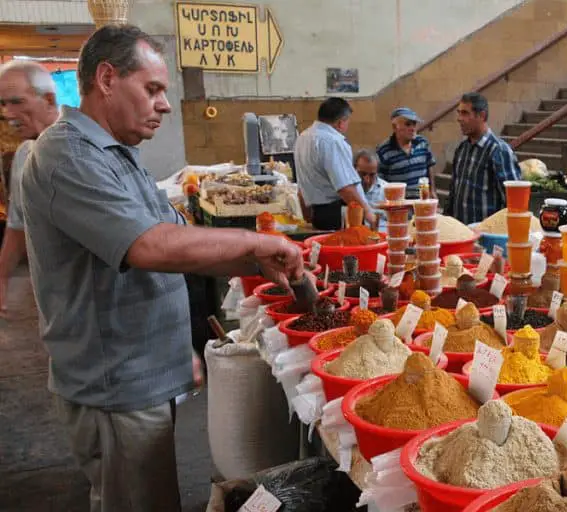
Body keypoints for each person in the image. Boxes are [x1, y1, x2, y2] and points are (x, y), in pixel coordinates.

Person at [19, 25, 304, 512]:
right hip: (115, 384)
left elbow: (180, 241)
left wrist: (258, 259)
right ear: (107, 78)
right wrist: (256, 240)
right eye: (152, 89)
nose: (165, 105)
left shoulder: (119, 156)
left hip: (141, 375)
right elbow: (151, 246)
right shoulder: (67, 155)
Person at [0, 60, 59, 315]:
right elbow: (17, 224)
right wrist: (2, 276)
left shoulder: (87, 150)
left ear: (48, 99)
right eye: (3, 104)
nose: (7, 113)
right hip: (58, 303)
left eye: (16, 102)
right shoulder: (25, 155)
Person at [295, 97, 376, 230]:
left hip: (317, 213)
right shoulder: (332, 141)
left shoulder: (302, 138)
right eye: (347, 122)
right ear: (340, 122)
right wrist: (367, 213)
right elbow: (345, 187)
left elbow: (301, 188)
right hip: (337, 215)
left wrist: (308, 217)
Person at [448, 92, 521, 224]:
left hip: (487, 237)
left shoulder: (499, 151)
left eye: (464, 113)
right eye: (458, 113)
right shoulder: (462, 149)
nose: (459, 118)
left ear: (481, 115)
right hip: (463, 234)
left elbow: (515, 203)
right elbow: (453, 193)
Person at [376, 107, 436, 198]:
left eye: (414, 124)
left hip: (421, 201)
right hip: (398, 204)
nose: (412, 128)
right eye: (408, 124)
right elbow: (380, 180)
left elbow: (429, 166)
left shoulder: (423, 143)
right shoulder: (384, 150)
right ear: (395, 127)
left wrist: (432, 191)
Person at [355, 148, 387, 230]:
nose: (367, 180)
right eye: (362, 174)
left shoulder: (387, 190)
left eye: (372, 175)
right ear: (353, 170)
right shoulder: (346, 191)